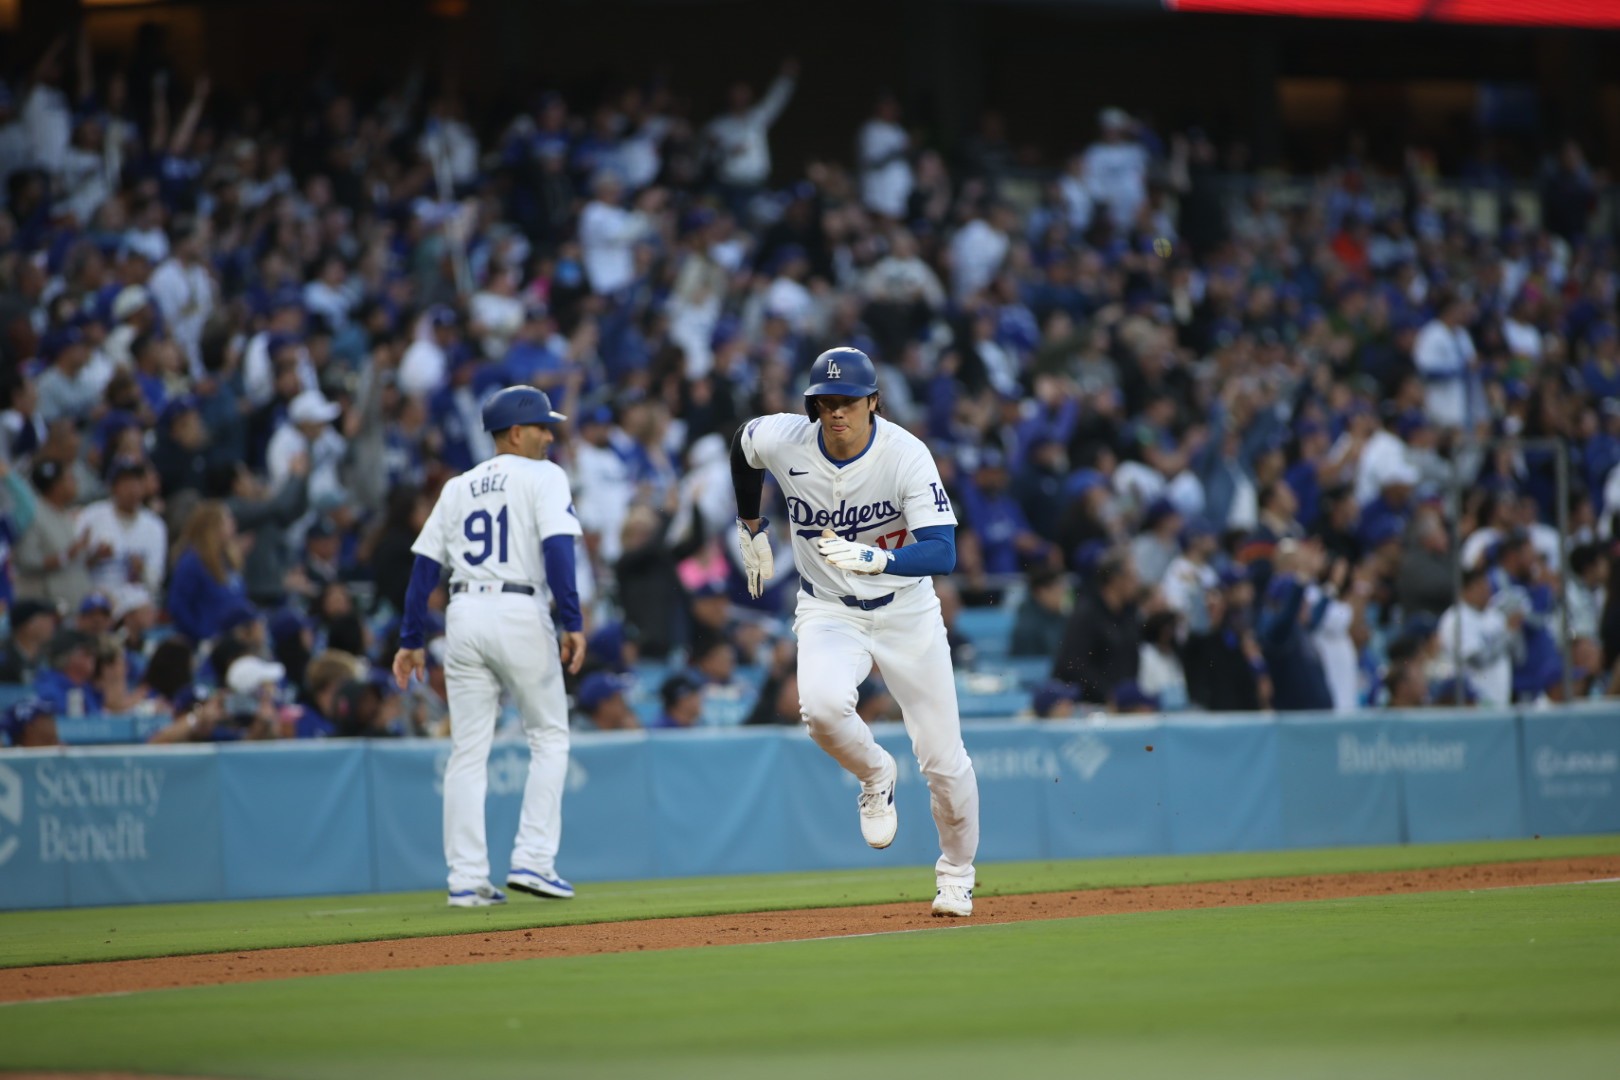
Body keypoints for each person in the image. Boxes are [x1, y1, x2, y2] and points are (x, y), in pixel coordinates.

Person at [731, 346, 980, 918]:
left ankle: (957, 875)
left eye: (848, 400)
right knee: (820, 710)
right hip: (829, 609)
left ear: (873, 402)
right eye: (825, 401)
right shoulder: (786, 438)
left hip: (906, 610)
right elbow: (743, 444)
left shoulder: (905, 454)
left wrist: (881, 559)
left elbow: (942, 551)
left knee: (943, 760)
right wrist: (750, 522)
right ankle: (874, 772)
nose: (836, 410)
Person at [391, 386, 585, 909]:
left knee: (467, 752)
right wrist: (572, 621)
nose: (550, 436)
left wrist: (411, 639)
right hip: (518, 608)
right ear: (515, 433)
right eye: (542, 427)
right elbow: (558, 551)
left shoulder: (458, 486)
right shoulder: (544, 476)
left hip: (463, 614)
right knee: (550, 737)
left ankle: (466, 878)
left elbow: (424, 569)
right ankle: (533, 859)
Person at [167, 501, 250, 642]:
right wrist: (200, 634)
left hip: (233, 639)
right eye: (226, 519)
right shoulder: (192, 562)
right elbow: (178, 605)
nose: (233, 523)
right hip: (206, 641)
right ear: (212, 526)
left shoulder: (228, 560)